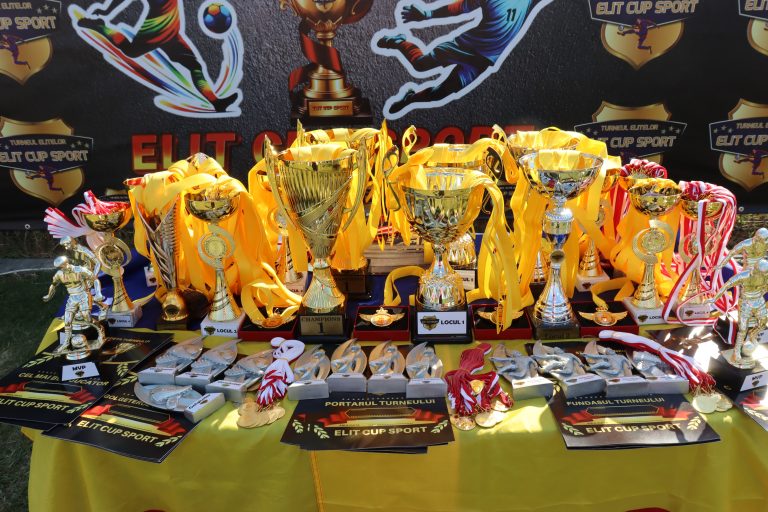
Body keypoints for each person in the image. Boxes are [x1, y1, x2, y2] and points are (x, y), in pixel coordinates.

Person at [374, 0, 545, 116]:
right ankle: (399, 41)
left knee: (439, 93)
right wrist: (427, 14)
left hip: (482, 61)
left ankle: (410, 98)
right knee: (420, 65)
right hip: (463, 47)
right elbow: (459, 8)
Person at [76, 0, 238, 112]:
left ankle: (216, 102)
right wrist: (106, 11)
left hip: (172, 33)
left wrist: (106, 10)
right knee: (131, 51)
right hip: (154, 29)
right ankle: (100, 27)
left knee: (195, 66)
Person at [710, 258, 768, 367]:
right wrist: (714, 299)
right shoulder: (744, 275)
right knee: (742, 330)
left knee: (762, 323)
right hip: (746, 304)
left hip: (759, 303)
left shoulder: (765, 277)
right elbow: (727, 285)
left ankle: (751, 338)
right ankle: (737, 353)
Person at [43, 256, 106, 354]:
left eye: (62, 266)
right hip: (72, 297)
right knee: (67, 321)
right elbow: (53, 285)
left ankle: (100, 331)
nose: (62, 269)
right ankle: (66, 342)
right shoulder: (59, 274)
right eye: (60, 268)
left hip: (83, 295)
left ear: (66, 263)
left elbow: (95, 279)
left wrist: (98, 293)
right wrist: (49, 295)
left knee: (87, 318)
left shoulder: (80, 270)